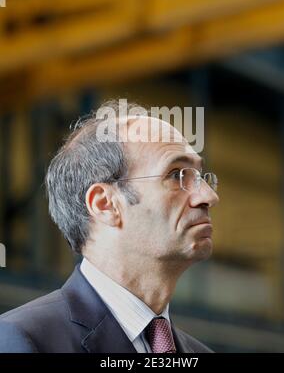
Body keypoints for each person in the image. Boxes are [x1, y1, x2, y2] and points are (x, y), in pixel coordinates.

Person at [0, 100, 219, 353]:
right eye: (176, 175)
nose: (208, 196)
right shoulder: (23, 341)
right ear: (106, 205)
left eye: (200, 177)